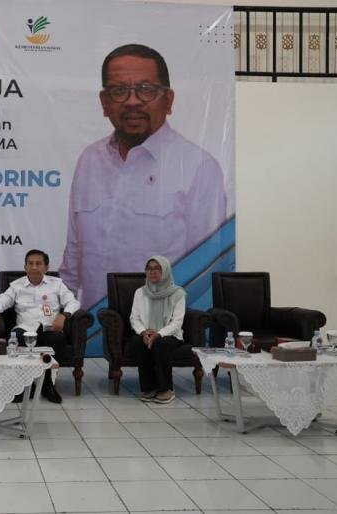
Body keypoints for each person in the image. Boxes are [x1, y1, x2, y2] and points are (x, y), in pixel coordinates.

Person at [60, 43, 227, 309]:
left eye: (146, 89)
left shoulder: (199, 167)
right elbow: (72, 261)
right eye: (119, 91)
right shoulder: (90, 160)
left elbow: (205, 271)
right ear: (104, 102)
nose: (133, 101)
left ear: (168, 100)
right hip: (93, 326)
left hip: (158, 325)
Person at [0, 249, 80, 404]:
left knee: (57, 339)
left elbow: (73, 302)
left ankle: (47, 385)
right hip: (25, 329)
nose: (34, 267)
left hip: (49, 328)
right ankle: (22, 386)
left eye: (38, 263)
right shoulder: (16, 286)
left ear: (46, 268)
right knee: (15, 340)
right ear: (25, 267)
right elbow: (3, 300)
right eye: (30, 263)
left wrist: (64, 315)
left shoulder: (57, 284)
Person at [128, 255, 186, 404]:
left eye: (157, 269)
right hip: (146, 332)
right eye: (149, 269)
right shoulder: (140, 292)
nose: (152, 272)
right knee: (137, 341)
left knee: (161, 343)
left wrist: (159, 334)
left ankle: (166, 389)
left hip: (170, 335)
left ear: (165, 271)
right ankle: (149, 388)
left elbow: (177, 322)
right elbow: (134, 318)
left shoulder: (178, 293)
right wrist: (143, 332)